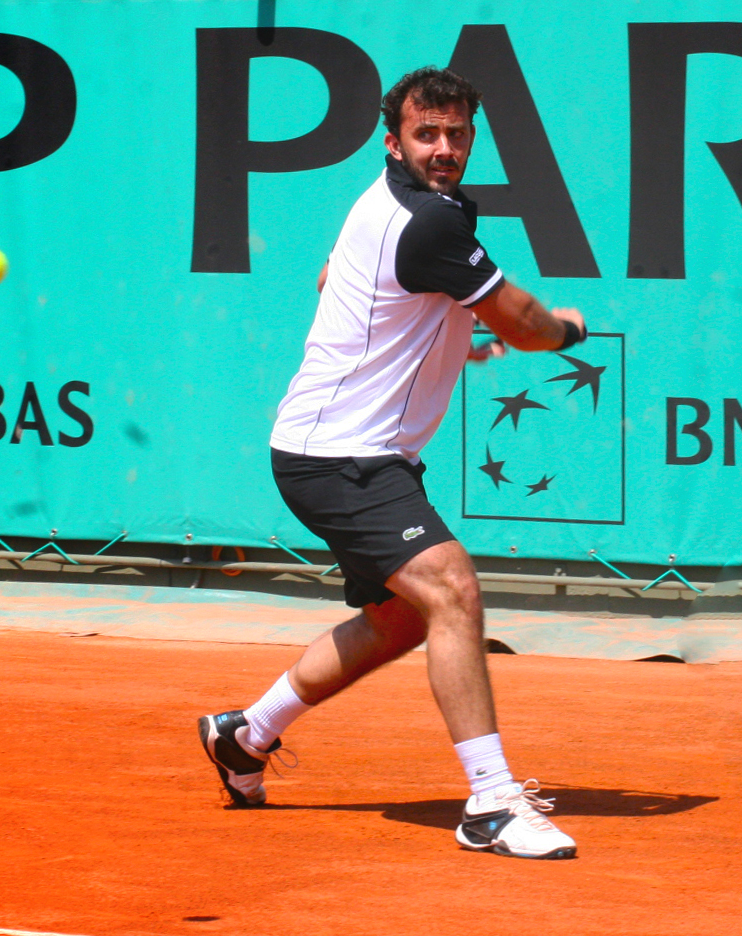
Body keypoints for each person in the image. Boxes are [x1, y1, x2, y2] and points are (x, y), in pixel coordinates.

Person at [198, 67, 587, 860]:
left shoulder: (387, 203)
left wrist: (445, 344)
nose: (443, 149)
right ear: (394, 139)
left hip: (348, 451)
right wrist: (563, 329)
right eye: (426, 134)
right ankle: (490, 804)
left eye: (456, 135)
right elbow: (528, 323)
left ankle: (246, 734)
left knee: (404, 616)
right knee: (450, 586)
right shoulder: (430, 224)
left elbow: (334, 281)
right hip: (338, 454)